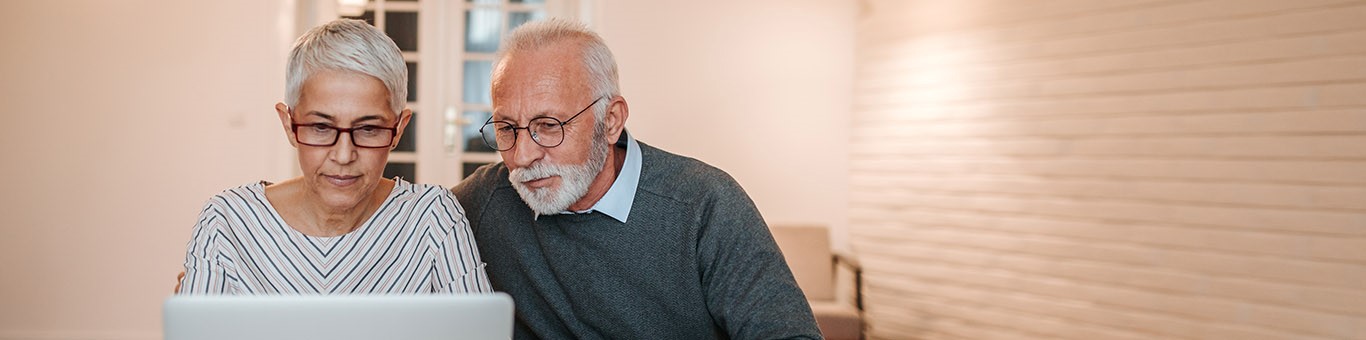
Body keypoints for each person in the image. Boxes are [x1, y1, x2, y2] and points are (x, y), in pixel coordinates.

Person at [452, 18, 821, 339]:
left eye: (548, 126)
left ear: (610, 121)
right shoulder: (485, 200)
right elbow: (404, 216)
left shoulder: (704, 205)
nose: (522, 156)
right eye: (506, 129)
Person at [177, 19, 491, 295]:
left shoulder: (432, 216)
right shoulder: (228, 221)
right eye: (321, 127)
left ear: (397, 129)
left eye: (368, 129)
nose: (343, 155)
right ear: (289, 124)